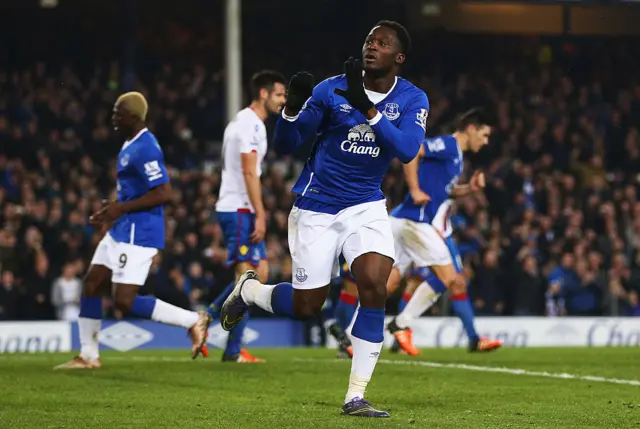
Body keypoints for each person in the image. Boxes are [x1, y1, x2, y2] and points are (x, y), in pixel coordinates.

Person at [220, 21, 429, 418]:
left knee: (374, 285)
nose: (372, 47)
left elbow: (405, 149)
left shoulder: (412, 97)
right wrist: (292, 111)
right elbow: (287, 144)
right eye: (369, 40)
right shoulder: (331, 89)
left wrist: (366, 109)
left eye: (382, 44)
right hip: (317, 206)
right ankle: (248, 292)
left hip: (366, 205)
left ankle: (355, 396)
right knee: (307, 306)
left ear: (398, 58)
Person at [55, 92, 211, 370]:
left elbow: (164, 193)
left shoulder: (146, 148)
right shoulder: (130, 144)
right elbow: (134, 193)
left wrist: (121, 209)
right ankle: (89, 356)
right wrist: (113, 209)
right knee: (91, 284)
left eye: (118, 113)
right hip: (122, 230)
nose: (113, 118)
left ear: (134, 116)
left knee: (124, 301)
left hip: (139, 234)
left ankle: (192, 320)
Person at [386, 108, 503, 355]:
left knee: (389, 283)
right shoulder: (449, 145)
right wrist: (415, 189)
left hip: (406, 221)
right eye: (484, 135)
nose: (486, 141)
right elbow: (412, 151)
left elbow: (445, 191)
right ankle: (401, 325)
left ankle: (348, 334)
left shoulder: (458, 157)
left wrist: (469, 188)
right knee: (451, 278)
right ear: (470, 129)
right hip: (414, 221)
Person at [208, 71, 286, 363]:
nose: (283, 100)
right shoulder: (250, 124)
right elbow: (248, 170)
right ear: (263, 94)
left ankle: (227, 342)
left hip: (238, 206)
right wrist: (261, 214)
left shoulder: (245, 122)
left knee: (256, 276)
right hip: (240, 208)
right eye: (279, 94)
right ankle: (210, 322)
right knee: (248, 279)